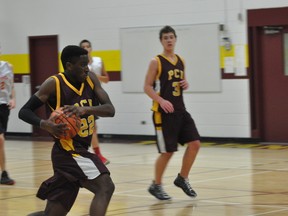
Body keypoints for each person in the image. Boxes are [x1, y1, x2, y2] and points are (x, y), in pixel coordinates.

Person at [19, 45, 115, 216]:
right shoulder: (53, 84)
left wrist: (85, 110)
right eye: (82, 65)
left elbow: (110, 109)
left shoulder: (91, 79)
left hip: (76, 152)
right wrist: (46, 124)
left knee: (52, 214)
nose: (87, 68)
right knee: (105, 186)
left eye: (87, 64)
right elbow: (24, 111)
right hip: (68, 151)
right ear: (69, 65)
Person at [144, 26, 201, 200]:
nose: (169, 40)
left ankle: (182, 178)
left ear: (176, 39)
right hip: (163, 113)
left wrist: (186, 84)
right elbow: (147, 87)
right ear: (161, 41)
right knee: (167, 152)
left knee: (195, 143)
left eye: (171, 37)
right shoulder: (156, 61)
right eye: (165, 38)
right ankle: (156, 185)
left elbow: (177, 82)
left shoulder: (181, 60)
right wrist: (160, 100)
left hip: (180, 110)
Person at [79, 39, 110, 165]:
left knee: (92, 127)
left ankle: (90, 154)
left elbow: (107, 79)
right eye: (83, 47)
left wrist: (94, 77)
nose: (86, 48)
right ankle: (97, 155)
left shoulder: (98, 61)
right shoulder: (79, 64)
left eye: (88, 46)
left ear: (91, 48)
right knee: (91, 127)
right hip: (83, 97)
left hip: (95, 97)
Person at [0, 57, 16, 185]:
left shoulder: (8, 66)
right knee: (0, 139)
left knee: (1, 140)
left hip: (4, 106)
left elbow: (12, 87)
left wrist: (13, 99)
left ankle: (4, 174)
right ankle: (4, 173)